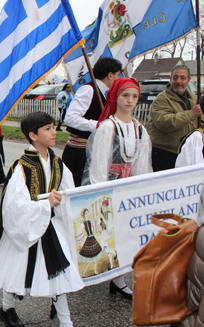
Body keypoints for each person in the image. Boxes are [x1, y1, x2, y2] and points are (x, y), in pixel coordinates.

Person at [0, 112, 84, 327]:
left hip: (50, 225)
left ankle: (66, 321)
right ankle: (7, 307)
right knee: (16, 269)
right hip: (28, 225)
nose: (54, 132)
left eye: (53, 127)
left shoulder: (57, 162)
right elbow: (14, 207)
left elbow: (69, 191)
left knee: (59, 273)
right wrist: (45, 204)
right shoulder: (22, 167)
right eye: (48, 129)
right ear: (33, 135)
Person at [82, 77, 152, 300]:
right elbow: (99, 165)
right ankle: (107, 274)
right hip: (110, 190)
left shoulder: (140, 129)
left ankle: (119, 280)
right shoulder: (107, 127)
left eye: (134, 96)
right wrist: (100, 195)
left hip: (128, 190)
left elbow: (143, 166)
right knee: (109, 235)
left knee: (126, 235)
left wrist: (141, 192)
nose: (130, 100)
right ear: (115, 97)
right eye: (125, 95)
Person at [63, 58, 122, 186]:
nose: (119, 78)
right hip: (80, 153)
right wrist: (99, 125)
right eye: (118, 75)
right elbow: (70, 118)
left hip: (96, 150)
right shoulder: (89, 90)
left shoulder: (108, 94)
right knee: (78, 189)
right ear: (110, 75)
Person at [148, 64, 203, 172]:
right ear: (170, 79)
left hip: (187, 152)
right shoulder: (161, 99)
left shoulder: (195, 99)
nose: (178, 81)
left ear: (189, 79)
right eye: (175, 77)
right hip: (164, 153)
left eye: (183, 78)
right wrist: (192, 114)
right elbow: (164, 122)